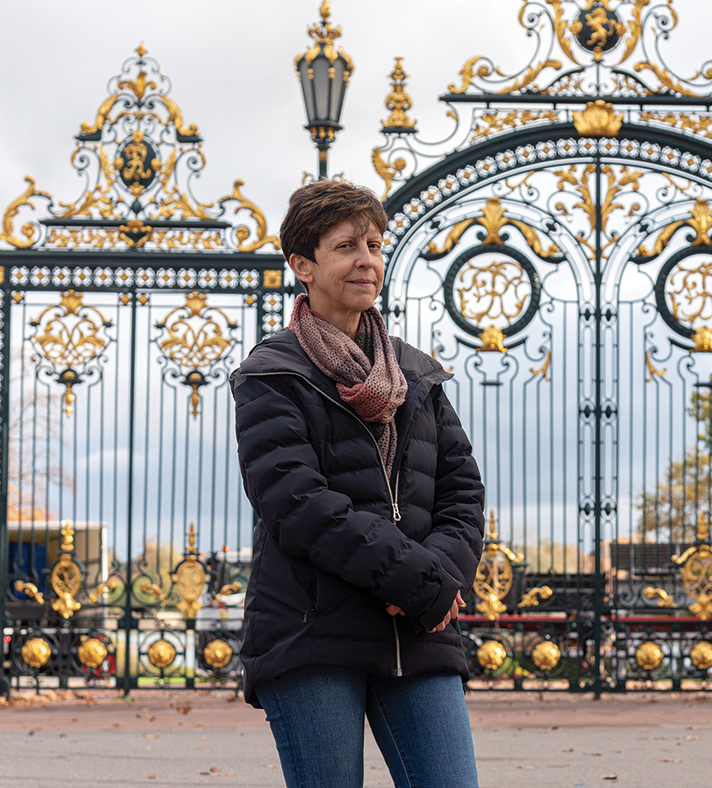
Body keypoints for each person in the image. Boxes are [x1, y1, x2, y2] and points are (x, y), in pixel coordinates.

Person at [230, 180, 485, 788]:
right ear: (302, 264)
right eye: (345, 246)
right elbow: (297, 503)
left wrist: (436, 577)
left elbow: (463, 495)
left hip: (417, 630)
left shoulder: (418, 374)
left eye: (373, 243)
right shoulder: (272, 375)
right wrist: (411, 576)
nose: (366, 259)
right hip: (313, 632)